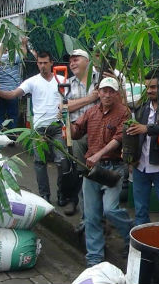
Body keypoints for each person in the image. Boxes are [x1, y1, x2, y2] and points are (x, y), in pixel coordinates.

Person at [0, 51, 75, 206]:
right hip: (39, 128)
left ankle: (62, 194)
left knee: (62, 161)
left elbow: (71, 100)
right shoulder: (32, 81)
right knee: (39, 162)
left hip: (57, 126)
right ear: (37, 64)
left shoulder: (61, 79)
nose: (42, 66)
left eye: (45, 63)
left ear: (51, 63)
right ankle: (44, 196)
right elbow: (14, 94)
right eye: (40, 63)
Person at [71, 77, 133, 268]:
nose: (106, 94)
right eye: (103, 91)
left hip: (112, 168)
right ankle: (94, 258)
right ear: (98, 92)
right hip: (91, 171)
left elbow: (119, 138)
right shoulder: (91, 112)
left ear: (116, 94)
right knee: (91, 216)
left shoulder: (124, 112)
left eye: (110, 91)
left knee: (110, 209)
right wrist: (66, 120)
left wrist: (98, 154)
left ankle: (131, 235)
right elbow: (76, 133)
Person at [126, 69, 159, 225]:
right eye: (148, 87)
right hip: (140, 166)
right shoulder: (143, 107)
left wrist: (147, 128)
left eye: (154, 87)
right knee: (140, 210)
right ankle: (143, 246)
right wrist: (131, 158)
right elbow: (135, 132)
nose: (149, 91)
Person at [64, 49, 100, 216]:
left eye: (76, 59)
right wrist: (90, 99)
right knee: (78, 170)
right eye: (70, 61)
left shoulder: (100, 79)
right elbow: (64, 107)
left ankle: (97, 210)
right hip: (76, 132)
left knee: (97, 170)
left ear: (87, 61)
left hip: (98, 134)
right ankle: (79, 204)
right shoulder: (67, 83)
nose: (72, 63)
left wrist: (74, 104)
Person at [0, 37, 29, 130]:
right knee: (12, 115)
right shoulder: (10, 57)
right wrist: (23, 44)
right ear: (5, 50)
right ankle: (11, 136)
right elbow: (23, 55)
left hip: (0, 92)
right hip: (12, 91)